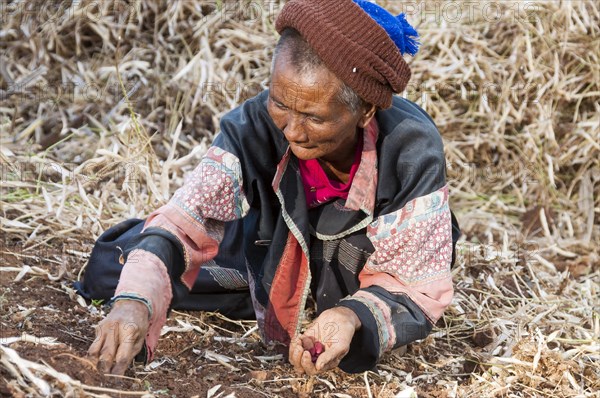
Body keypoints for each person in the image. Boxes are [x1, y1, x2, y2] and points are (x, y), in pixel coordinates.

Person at [83, 0, 460, 376]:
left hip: (356, 259)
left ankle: (316, 303)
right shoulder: (255, 123)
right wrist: (135, 299)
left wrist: (349, 315)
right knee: (113, 267)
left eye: (314, 117)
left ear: (364, 111)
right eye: (280, 104)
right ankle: (270, 292)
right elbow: (189, 216)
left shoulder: (409, 149)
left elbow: (414, 283)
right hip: (275, 244)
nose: (292, 132)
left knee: (348, 313)